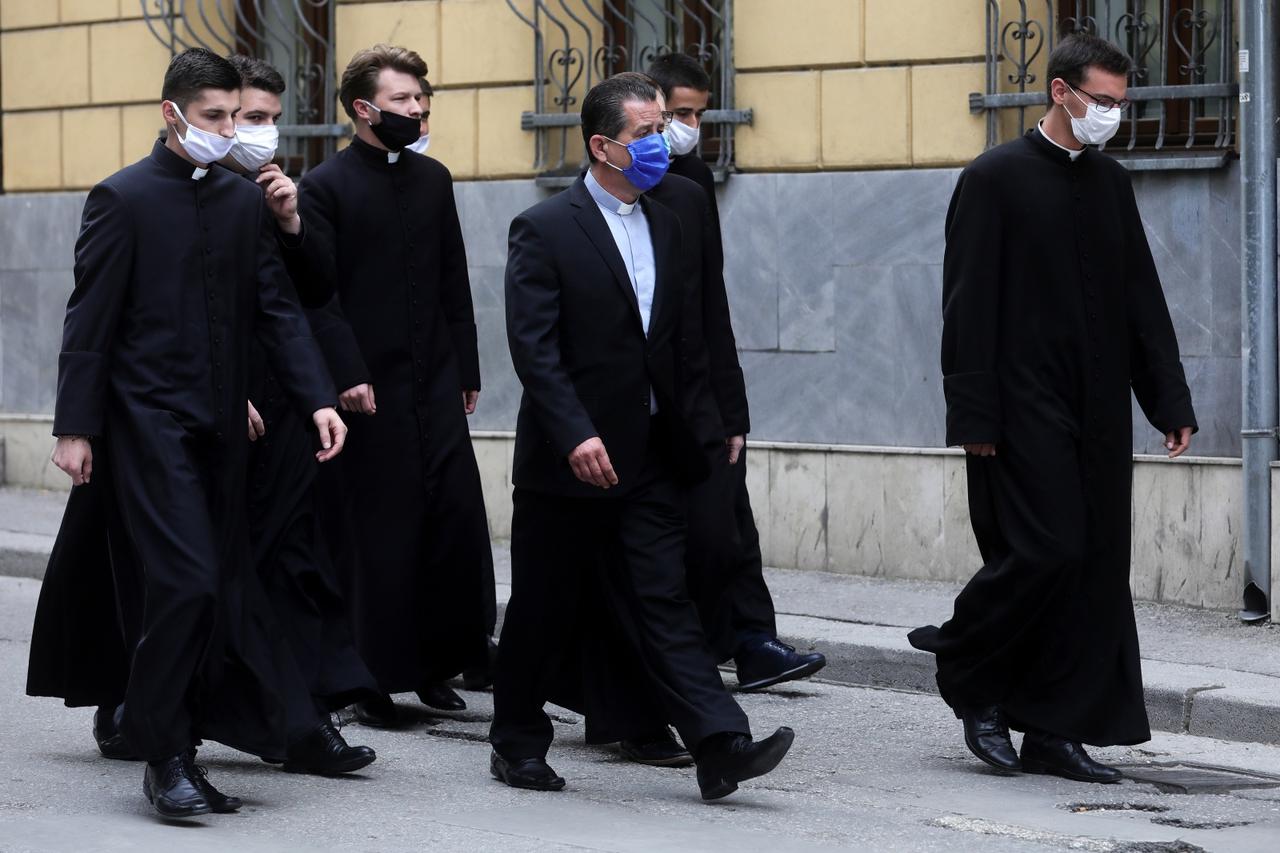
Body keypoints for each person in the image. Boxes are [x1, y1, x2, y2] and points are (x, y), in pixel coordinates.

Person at [26, 49, 374, 819]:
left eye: (232, 116)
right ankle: (164, 756)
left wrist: (315, 397)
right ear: (173, 114)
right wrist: (75, 427)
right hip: (146, 426)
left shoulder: (240, 203)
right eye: (212, 116)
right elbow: (89, 321)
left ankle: (187, 740)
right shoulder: (121, 198)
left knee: (212, 591)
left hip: (224, 427)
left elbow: (276, 309)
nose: (225, 129)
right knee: (185, 583)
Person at [491, 73, 795, 801]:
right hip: (568, 460)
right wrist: (574, 432)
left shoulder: (676, 214)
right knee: (542, 605)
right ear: (603, 146)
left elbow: (696, 327)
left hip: (653, 450)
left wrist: (718, 417)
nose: (662, 142)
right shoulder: (545, 227)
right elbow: (534, 347)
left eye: (663, 127)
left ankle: (719, 744)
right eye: (647, 133)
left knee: (664, 597)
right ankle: (516, 742)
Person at [908, 34, 1197, 784]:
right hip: (1019, 403)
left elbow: (1140, 296)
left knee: (1094, 567)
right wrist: (975, 416)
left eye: (1121, 104)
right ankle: (970, 668)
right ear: (1060, 92)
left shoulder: (1110, 182)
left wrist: (1167, 397)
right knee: (1046, 551)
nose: (1112, 115)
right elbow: (966, 304)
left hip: (1098, 403)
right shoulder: (993, 177)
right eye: (1101, 100)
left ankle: (1055, 728)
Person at [298, 44, 495, 725]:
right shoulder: (324, 187)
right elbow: (319, 294)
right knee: (382, 531)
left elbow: (453, 278)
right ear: (364, 108)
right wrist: (347, 373)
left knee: (451, 519)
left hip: (435, 377)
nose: (418, 109)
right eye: (404, 99)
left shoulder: (433, 179)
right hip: (369, 385)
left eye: (420, 98)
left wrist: (467, 366)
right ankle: (372, 677)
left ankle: (439, 662)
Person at [646, 53, 826, 689]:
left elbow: (710, 299)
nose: (690, 127)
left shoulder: (693, 181)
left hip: (701, 386)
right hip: (645, 395)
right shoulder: (609, 184)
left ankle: (753, 641)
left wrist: (732, 407)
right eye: (679, 114)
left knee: (730, 520)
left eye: (699, 114)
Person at [219, 54, 383, 725]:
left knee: (294, 547)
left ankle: (312, 701)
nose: (266, 132)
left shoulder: (272, 190)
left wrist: (290, 222)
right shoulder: (171, 192)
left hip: (282, 393)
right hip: (210, 399)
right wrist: (217, 389)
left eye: (273, 119)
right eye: (252, 118)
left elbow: (309, 296)